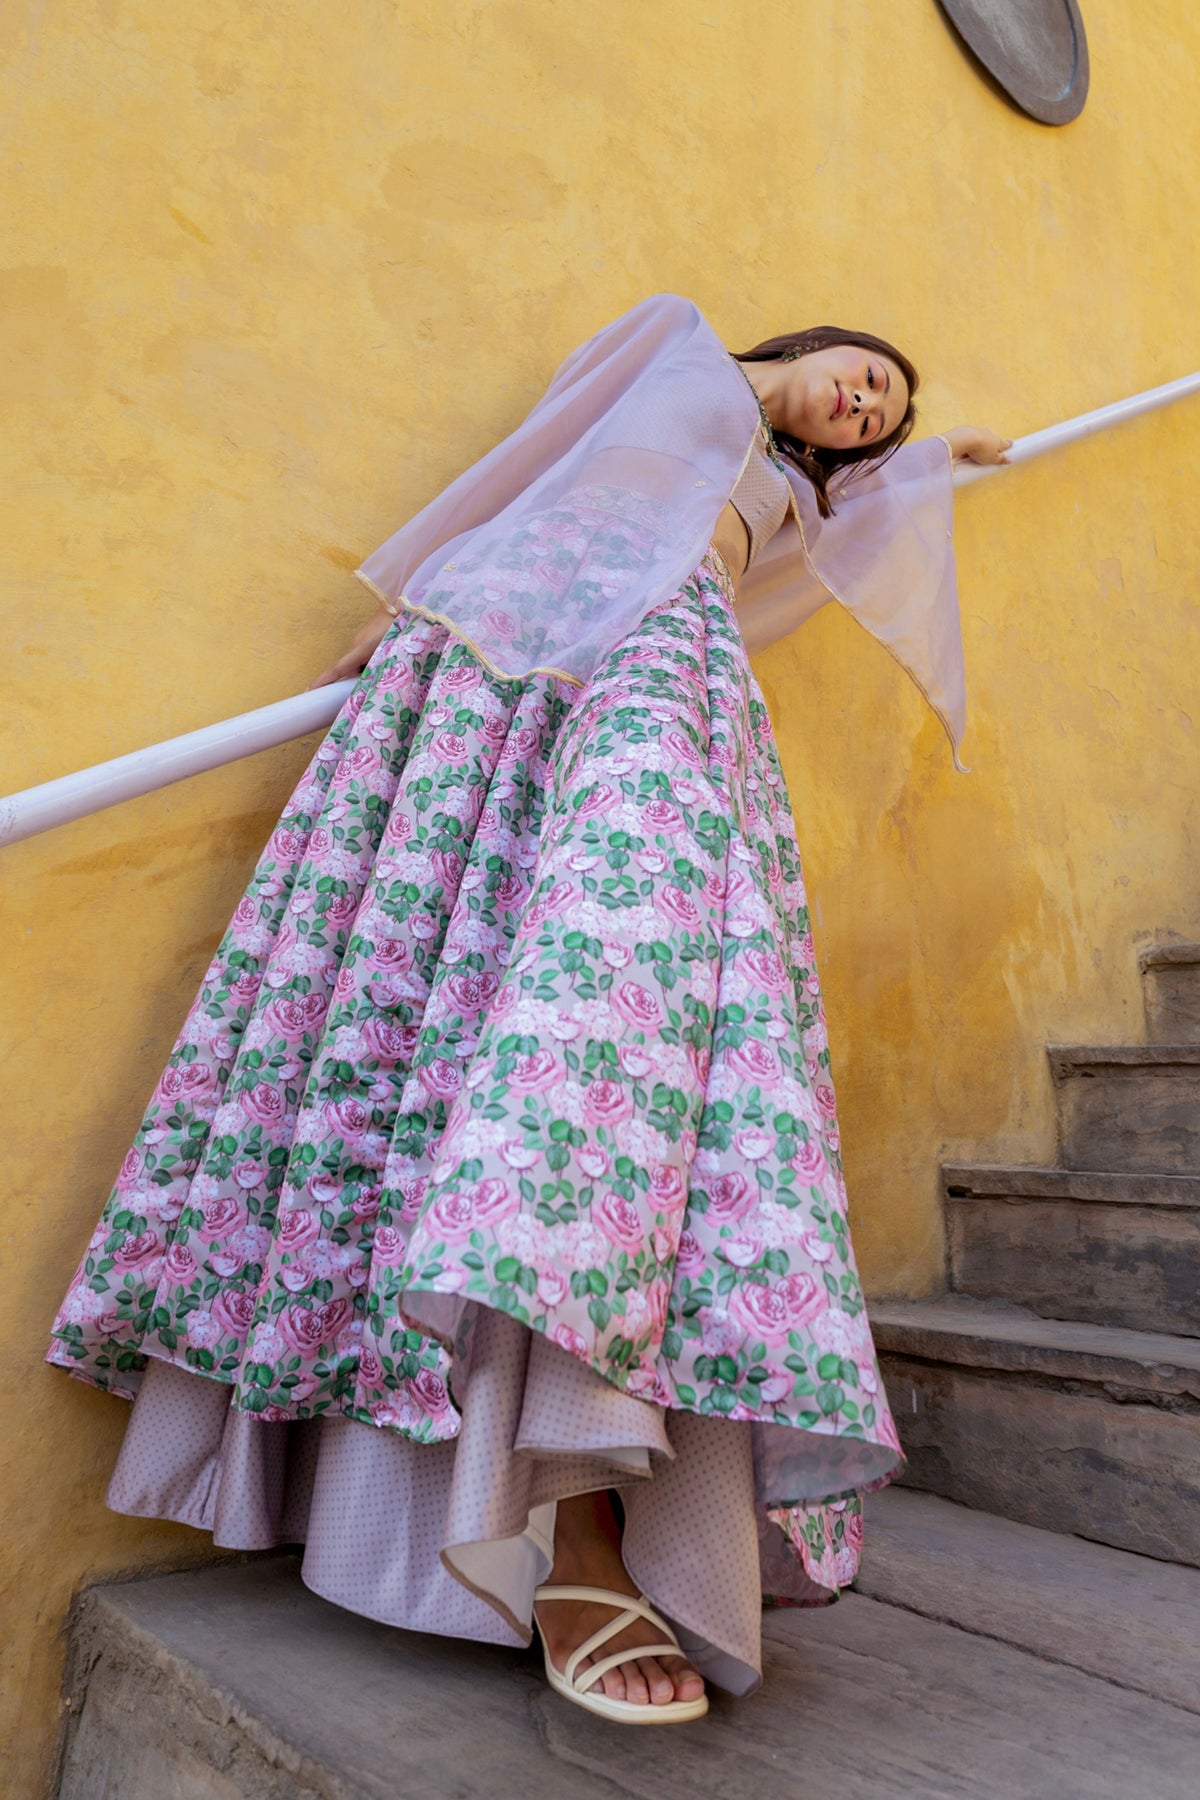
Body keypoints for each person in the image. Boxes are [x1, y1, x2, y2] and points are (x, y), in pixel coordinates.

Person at [47, 295, 1010, 1725]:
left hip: (665, 670)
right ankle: (520, 1499)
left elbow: (830, 557)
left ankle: (582, 1491)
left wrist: (932, 464)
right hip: (515, 632)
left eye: (885, 407)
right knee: (440, 1005)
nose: (870, 400)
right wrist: (405, 611)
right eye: (864, 372)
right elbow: (534, 463)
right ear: (806, 338)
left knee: (613, 1017)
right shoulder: (674, 345)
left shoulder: (786, 511)